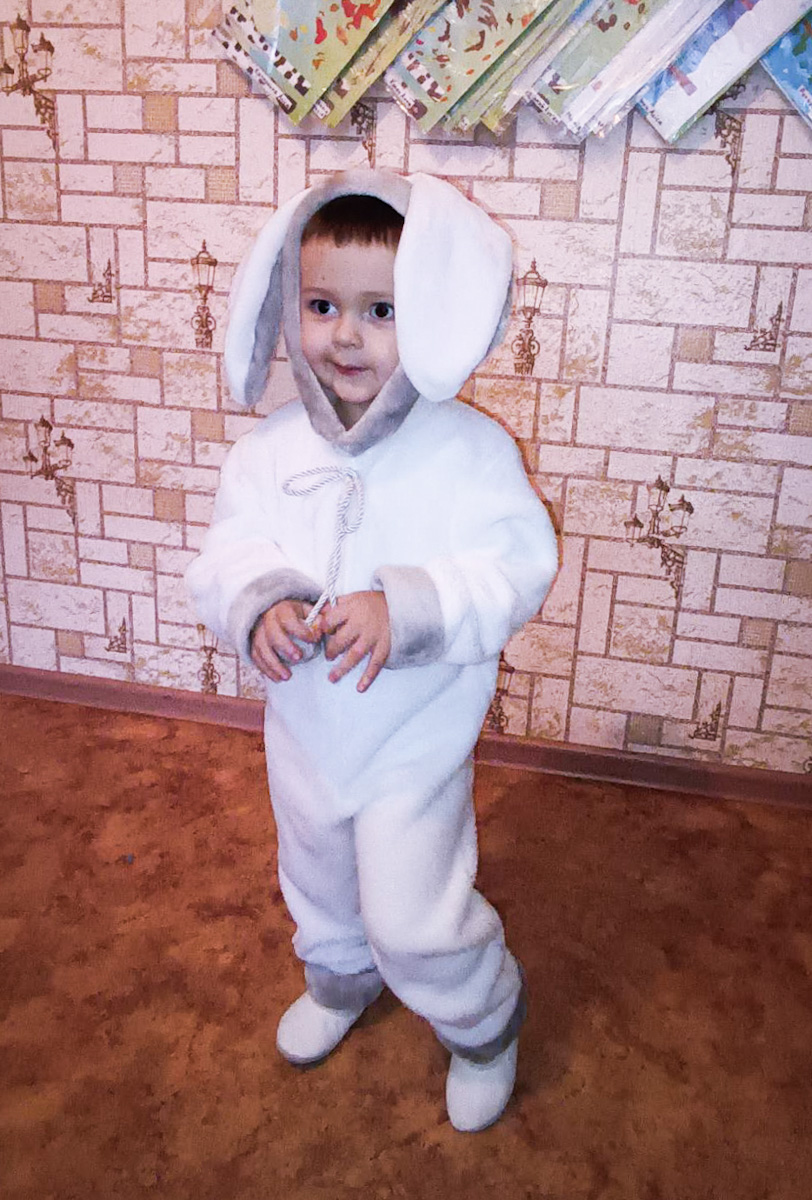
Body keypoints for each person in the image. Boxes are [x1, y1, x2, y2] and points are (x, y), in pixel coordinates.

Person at [186, 169, 558, 1132]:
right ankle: (340, 979)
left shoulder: (469, 453)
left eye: (381, 310)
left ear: (433, 312)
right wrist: (259, 602)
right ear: (287, 307)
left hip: (412, 743)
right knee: (317, 880)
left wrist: (411, 607)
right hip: (304, 736)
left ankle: (482, 1020)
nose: (345, 336)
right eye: (322, 306)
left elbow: (516, 565)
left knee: (411, 909)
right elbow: (227, 551)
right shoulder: (266, 454)